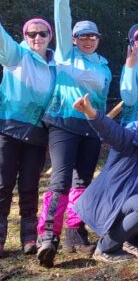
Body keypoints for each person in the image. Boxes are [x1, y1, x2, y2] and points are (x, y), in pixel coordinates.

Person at [38, 0, 112, 267]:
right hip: (64, 124)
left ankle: (75, 231)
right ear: (73, 39)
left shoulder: (104, 66)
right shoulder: (67, 56)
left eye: (92, 36)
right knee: (60, 180)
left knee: (84, 180)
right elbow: (61, 19)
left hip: (92, 127)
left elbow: (104, 100)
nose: (88, 40)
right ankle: (48, 238)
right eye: (82, 36)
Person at [72, 95, 138, 263]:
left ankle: (127, 241)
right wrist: (90, 112)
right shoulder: (128, 138)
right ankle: (105, 248)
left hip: (130, 207)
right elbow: (109, 129)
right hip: (108, 203)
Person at [0, 16, 55, 258]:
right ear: (24, 36)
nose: (37, 38)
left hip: (37, 135)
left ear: (50, 36)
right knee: (2, 185)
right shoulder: (15, 56)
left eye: (42, 33)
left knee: (30, 187)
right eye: (31, 34)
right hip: (8, 130)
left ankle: (29, 239)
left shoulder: (56, 64)